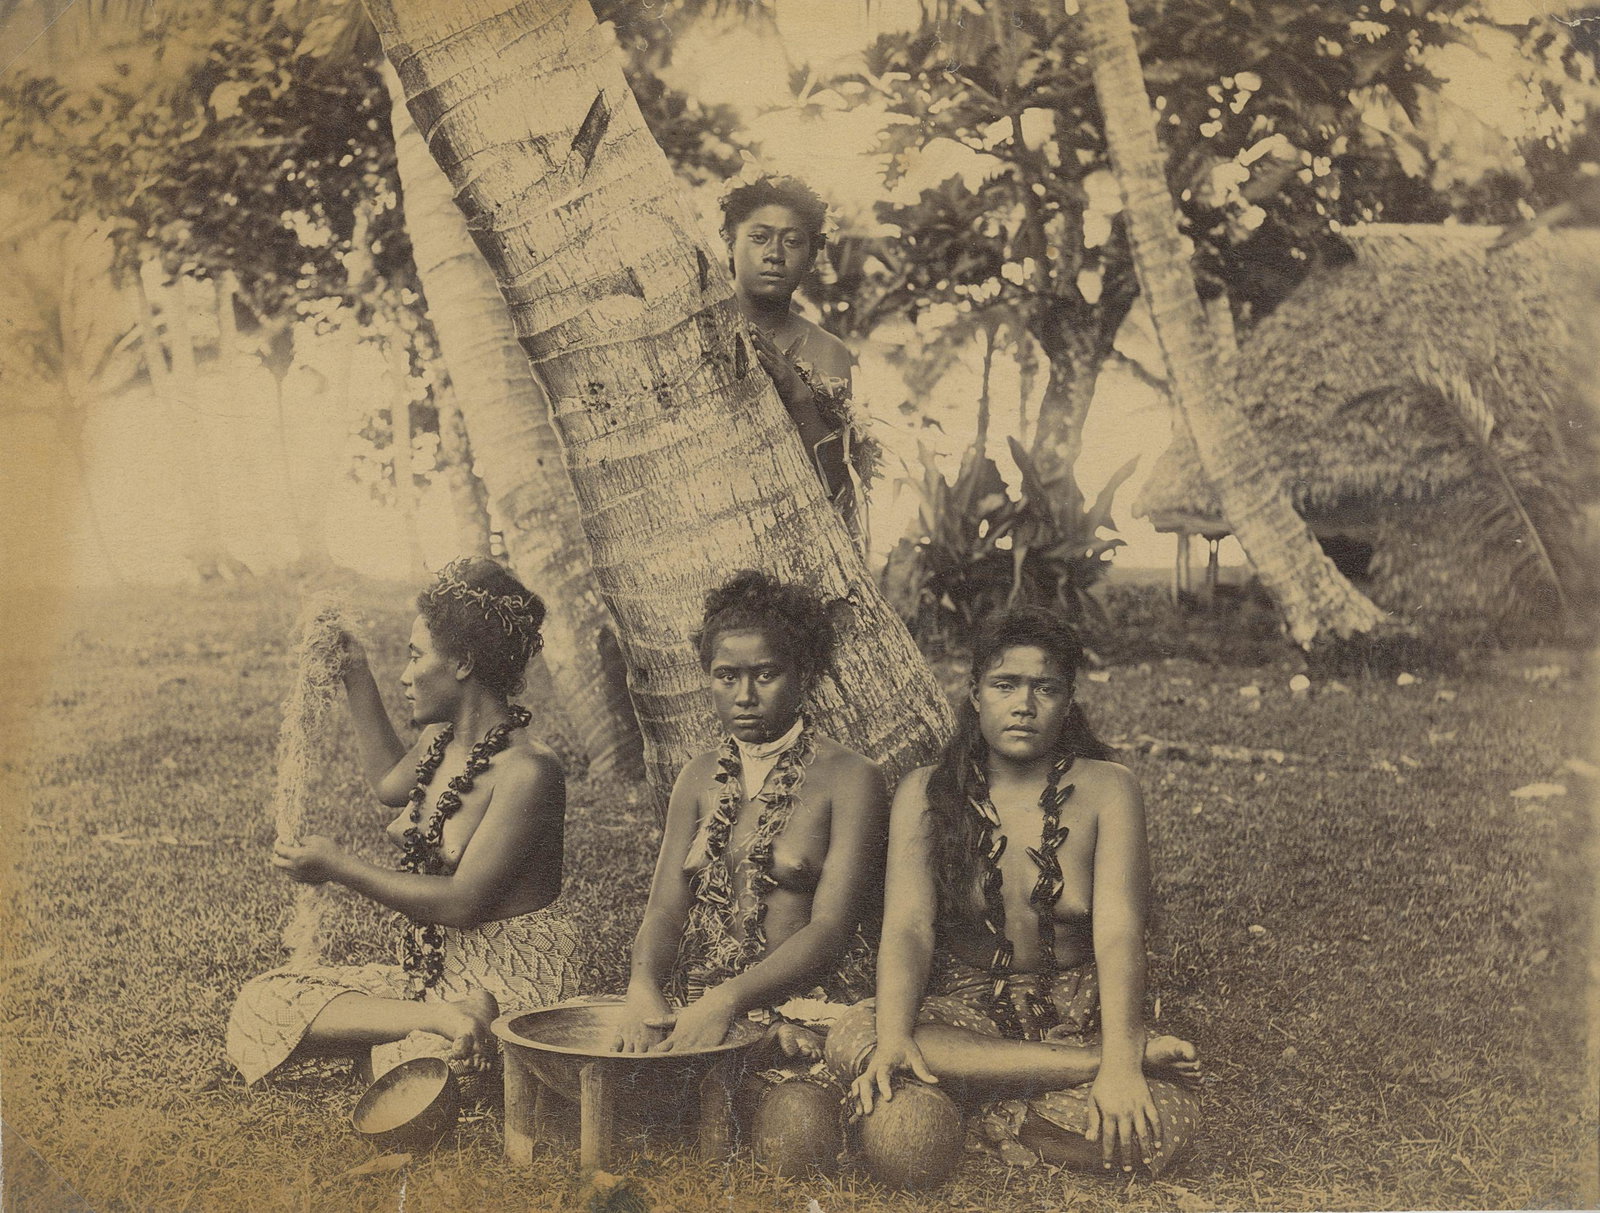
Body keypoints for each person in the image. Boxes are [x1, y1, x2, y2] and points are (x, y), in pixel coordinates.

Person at [825, 607, 1202, 1185]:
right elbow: (908, 927)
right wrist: (896, 1038)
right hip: (967, 1010)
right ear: (975, 694)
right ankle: (1076, 1071)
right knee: (858, 1032)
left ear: (1068, 700)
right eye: (1004, 685)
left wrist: (1123, 1066)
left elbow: (1120, 932)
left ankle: (981, 1098)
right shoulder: (925, 792)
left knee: (1153, 1128)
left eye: (1044, 688)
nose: (1023, 704)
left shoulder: (1111, 789)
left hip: (1078, 1014)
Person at [226, 558, 580, 1085]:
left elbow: (462, 904)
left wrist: (340, 867)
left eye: (415, 656)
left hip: (515, 977)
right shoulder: (441, 740)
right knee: (261, 1001)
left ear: (463, 663)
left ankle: (443, 1031)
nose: (405, 675)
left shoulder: (529, 771)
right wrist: (356, 671)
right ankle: (442, 1019)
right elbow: (389, 783)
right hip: (434, 977)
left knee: (404, 1065)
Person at [611, 570, 889, 1168]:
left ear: (804, 674)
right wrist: (643, 987)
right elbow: (665, 909)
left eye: (765, 675)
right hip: (698, 995)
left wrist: (729, 1000)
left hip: (804, 1000)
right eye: (726, 676)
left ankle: (764, 1077)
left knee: (797, 1138)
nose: (744, 695)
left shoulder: (852, 779)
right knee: (608, 1087)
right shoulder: (696, 777)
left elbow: (831, 930)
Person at [721, 174, 878, 544]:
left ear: (810, 258)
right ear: (729, 242)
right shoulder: (696, 325)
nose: (775, 254)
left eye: (792, 242)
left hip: (786, 534)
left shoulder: (827, 351)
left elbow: (836, 488)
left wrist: (798, 396)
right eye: (759, 237)